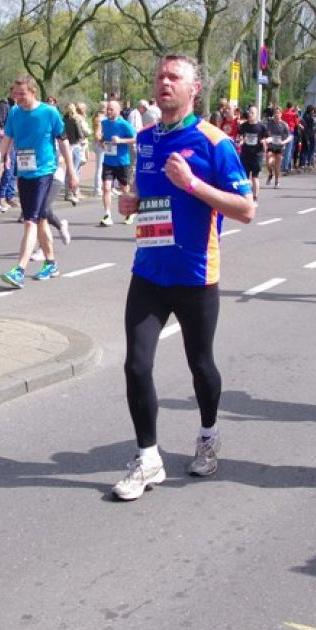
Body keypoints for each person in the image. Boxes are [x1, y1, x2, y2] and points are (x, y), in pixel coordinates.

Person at [112, 55, 254, 500]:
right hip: (149, 272)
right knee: (136, 364)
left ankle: (208, 434)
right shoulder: (144, 139)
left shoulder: (215, 142)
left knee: (201, 365)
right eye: (160, 76)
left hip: (196, 275)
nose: (164, 82)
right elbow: (145, 191)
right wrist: (132, 201)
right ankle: (148, 458)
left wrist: (192, 184)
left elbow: (246, 210)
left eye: (174, 77)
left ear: (195, 89)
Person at [0, 75, 77, 286]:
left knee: (30, 221)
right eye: (15, 93)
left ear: (32, 92)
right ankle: (51, 263)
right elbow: (6, 140)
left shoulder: (49, 112)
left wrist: (72, 172)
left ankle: (19, 270)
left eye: (22, 94)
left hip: (45, 172)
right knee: (40, 220)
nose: (18, 97)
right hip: (24, 173)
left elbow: (63, 142)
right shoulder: (14, 112)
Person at [97, 98, 135, 228]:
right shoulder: (104, 123)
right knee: (106, 187)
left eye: (111, 109)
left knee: (124, 189)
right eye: (107, 109)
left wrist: (120, 141)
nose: (108, 111)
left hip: (122, 161)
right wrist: (101, 141)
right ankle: (107, 215)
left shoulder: (124, 124)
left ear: (118, 110)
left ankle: (130, 212)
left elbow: (135, 138)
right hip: (108, 161)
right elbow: (103, 137)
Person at [236, 104, 267, 199]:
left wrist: (264, 141)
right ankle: (246, 196)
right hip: (245, 154)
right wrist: (240, 142)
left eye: (252, 113)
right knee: (245, 177)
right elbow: (240, 137)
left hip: (257, 155)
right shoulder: (244, 126)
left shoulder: (261, 127)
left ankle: (255, 197)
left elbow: (268, 138)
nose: (250, 114)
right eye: (249, 112)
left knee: (254, 177)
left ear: (256, 114)